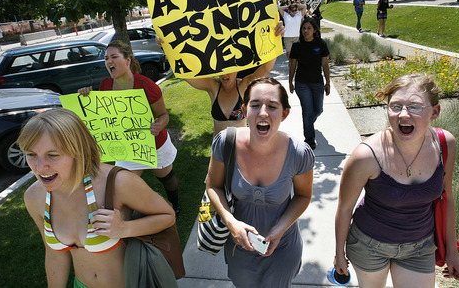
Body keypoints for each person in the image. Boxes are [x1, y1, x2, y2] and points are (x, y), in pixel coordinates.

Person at [334, 73, 459, 287]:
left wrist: (452, 252)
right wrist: (339, 253)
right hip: (369, 246)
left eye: (414, 106)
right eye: (395, 106)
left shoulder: (444, 145)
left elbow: (447, 198)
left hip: (420, 247)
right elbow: (345, 208)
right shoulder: (366, 156)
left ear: (435, 112)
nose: (403, 115)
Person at [20, 108, 175, 287]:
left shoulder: (117, 182)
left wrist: (125, 228)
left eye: (52, 155)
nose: (39, 167)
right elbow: (54, 254)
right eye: (31, 155)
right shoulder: (34, 197)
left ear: (78, 151)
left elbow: (167, 216)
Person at [206, 77, 314, 287]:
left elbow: (303, 195)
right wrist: (232, 223)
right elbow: (212, 186)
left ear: (284, 113)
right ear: (245, 110)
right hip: (239, 248)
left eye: (272, 106)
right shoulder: (225, 142)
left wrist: (281, 228)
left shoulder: (299, 154)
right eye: (255, 105)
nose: (263, 112)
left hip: (283, 249)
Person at [78, 40, 180, 215]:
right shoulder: (105, 86)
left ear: (127, 60)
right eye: (106, 58)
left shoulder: (147, 85)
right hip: (127, 147)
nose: (109, 61)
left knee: (166, 178)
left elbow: (164, 116)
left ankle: (175, 206)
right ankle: (124, 219)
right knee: (122, 185)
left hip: (154, 144)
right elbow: (102, 116)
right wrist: (87, 96)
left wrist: (158, 125)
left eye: (114, 57)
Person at [156, 22, 285, 137]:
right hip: (219, 153)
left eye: (229, 69)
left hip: (243, 151)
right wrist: (166, 47)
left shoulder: (244, 86)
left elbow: (266, 68)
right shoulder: (213, 87)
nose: (224, 74)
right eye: (220, 70)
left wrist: (275, 37)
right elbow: (184, 73)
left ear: (237, 69)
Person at [288, 17, 331, 150]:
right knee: (307, 111)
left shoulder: (321, 44)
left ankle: (309, 124)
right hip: (302, 83)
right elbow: (293, 65)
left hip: (317, 83)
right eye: (304, 28)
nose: (306, 31)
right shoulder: (297, 46)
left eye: (309, 28)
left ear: (314, 30)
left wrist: (328, 82)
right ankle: (309, 139)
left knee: (318, 109)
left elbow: (325, 64)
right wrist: (290, 82)